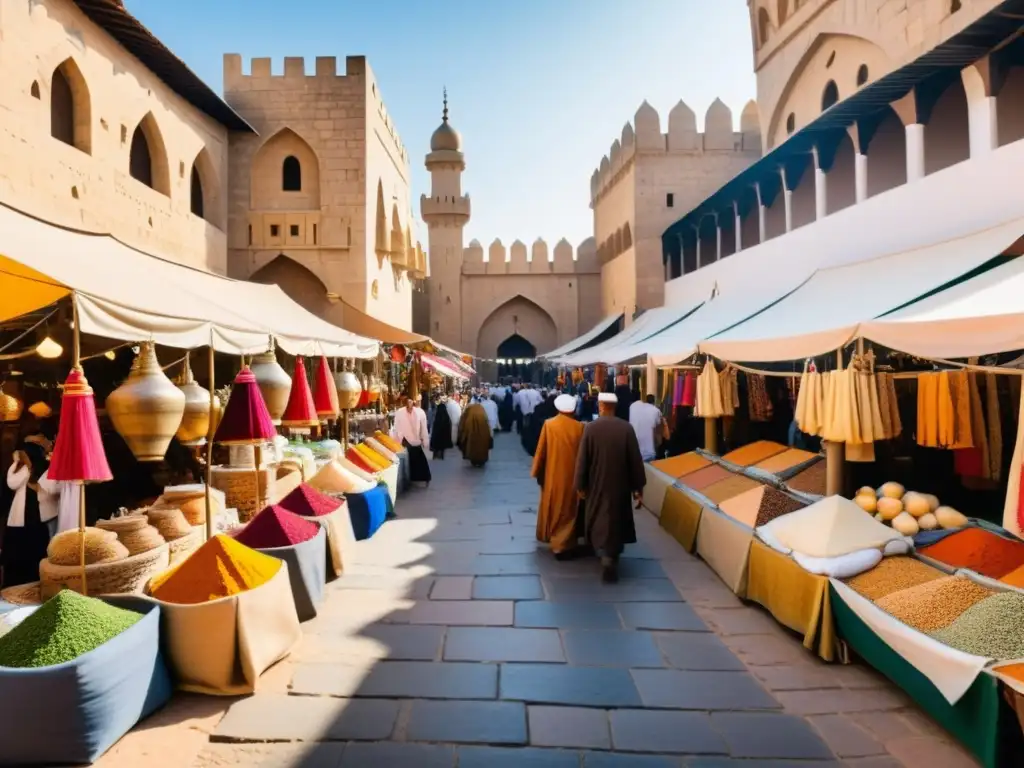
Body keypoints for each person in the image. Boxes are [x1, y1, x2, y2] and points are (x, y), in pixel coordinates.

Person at [575, 392, 646, 583]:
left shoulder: (590, 428)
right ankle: (612, 554)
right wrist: (638, 488)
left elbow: (583, 459)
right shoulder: (626, 429)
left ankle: (605, 553)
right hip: (620, 482)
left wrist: (580, 484)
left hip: (597, 482)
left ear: (601, 406)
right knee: (616, 517)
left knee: (599, 516)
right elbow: (635, 460)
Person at [533, 394, 590, 560]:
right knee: (570, 509)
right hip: (573, 475)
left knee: (554, 507)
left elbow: (541, 451)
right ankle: (565, 542)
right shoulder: (580, 427)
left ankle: (556, 541)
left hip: (552, 475)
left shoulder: (549, 425)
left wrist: (537, 471)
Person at [2, 445, 51, 588]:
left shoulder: (32, 469)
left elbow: (12, 482)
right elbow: (12, 483)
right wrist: (17, 463)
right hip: (22, 517)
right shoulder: (27, 469)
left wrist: (21, 464)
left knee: (29, 550)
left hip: (31, 515)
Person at [392, 396, 431, 487]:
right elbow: (396, 427)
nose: (409, 404)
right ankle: (409, 479)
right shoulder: (400, 413)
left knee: (419, 459)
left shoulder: (419, 412)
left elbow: (423, 427)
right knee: (408, 460)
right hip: (405, 439)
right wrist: (397, 440)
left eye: (411, 401)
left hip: (416, 439)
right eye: (407, 402)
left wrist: (424, 439)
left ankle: (425, 478)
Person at [458, 398, 492, 468]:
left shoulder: (468, 413)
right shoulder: (482, 412)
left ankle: (474, 460)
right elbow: (488, 427)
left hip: (471, 437)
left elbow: (463, 427)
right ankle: (481, 460)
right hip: (483, 437)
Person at [629, 394, 664, 462]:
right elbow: (659, 439)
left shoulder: (633, 406)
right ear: (654, 402)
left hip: (634, 453)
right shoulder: (656, 411)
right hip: (648, 454)